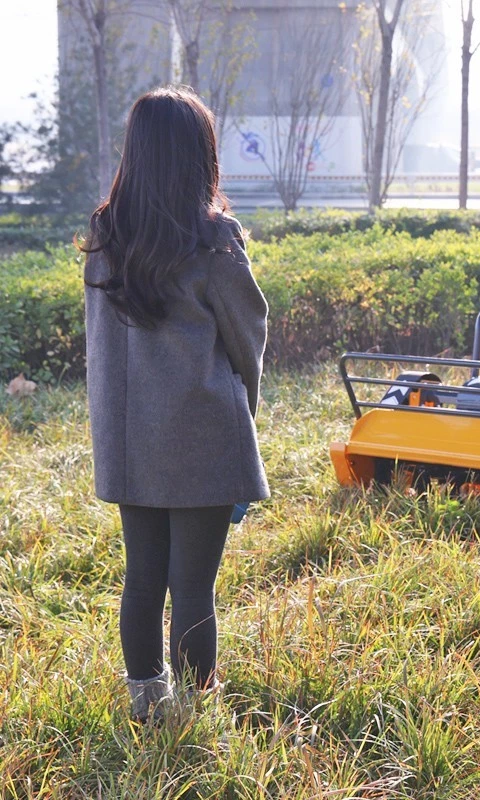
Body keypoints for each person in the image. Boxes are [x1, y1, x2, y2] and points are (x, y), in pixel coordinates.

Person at [81, 86, 269, 724]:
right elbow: (249, 333)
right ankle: (191, 710)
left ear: (135, 152)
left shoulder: (106, 233)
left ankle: (147, 703)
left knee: (142, 580)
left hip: (130, 439)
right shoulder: (214, 237)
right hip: (203, 433)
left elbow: (100, 345)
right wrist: (248, 406)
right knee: (193, 588)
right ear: (200, 154)